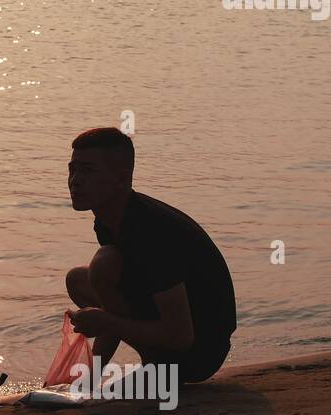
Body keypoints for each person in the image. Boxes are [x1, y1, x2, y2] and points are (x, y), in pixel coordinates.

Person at [65, 127, 236, 384]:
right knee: (80, 279)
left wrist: (106, 322)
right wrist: (87, 379)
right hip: (174, 337)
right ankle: (143, 367)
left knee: (102, 266)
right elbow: (114, 302)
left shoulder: (151, 231)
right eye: (72, 169)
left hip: (200, 354)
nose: (75, 180)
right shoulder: (108, 219)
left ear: (122, 179)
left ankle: (156, 369)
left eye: (88, 170)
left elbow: (181, 336)